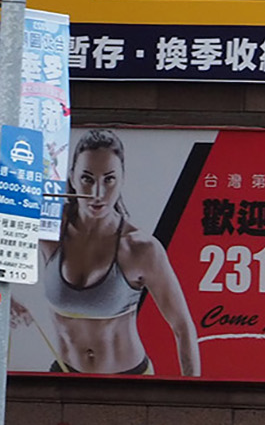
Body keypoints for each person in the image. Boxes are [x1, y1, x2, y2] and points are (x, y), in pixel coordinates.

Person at [15, 129, 201, 376]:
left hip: (128, 380)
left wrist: (189, 398)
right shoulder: (50, 227)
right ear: (72, 177)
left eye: (109, 179)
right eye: (87, 179)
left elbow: (183, 327)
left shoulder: (140, 248)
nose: (97, 194)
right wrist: (7, 300)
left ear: (123, 178)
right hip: (63, 373)